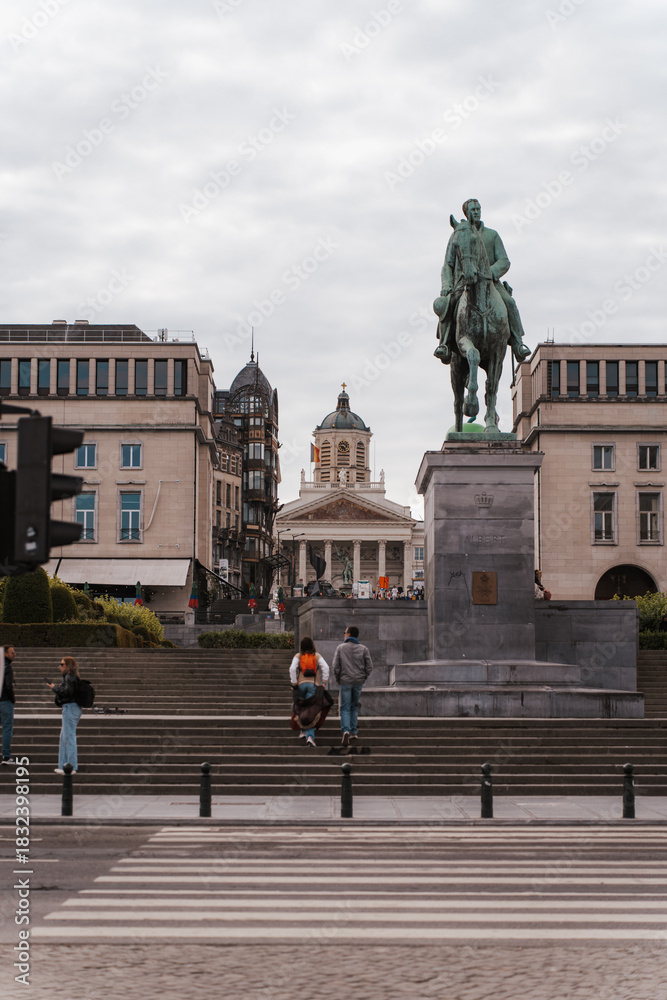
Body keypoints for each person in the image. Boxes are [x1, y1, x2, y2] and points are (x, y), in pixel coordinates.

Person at [434, 198, 531, 365]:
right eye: (472, 210)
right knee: (448, 306)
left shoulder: (492, 235)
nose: (476, 212)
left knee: (509, 301)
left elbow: (504, 260)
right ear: (466, 213)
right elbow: (448, 265)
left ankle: (518, 343)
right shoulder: (457, 234)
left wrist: (490, 272)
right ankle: (444, 345)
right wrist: (447, 285)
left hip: (490, 283)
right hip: (463, 284)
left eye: (478, 209)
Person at [333, 626, 373, 747]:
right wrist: (364, 677)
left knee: (344, 707)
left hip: (345, 681)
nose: (344, 634)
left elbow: (335, 666)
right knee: (354, 706)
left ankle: (345, 730)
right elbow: (369, 666)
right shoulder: (363, 649)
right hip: (358, 681)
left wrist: (338, 678)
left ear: (348, 634)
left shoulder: (340, 648)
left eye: (344, 632)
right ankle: (354, 731)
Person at [289, 637, 330, 748]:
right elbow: (326, 668)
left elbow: (292, 669)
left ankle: (303, 731)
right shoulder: (316, 656)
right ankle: (310, 737)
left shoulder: (298, 656)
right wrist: (324, 682)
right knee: (311, 711)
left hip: (301, 684)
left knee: (301, 708)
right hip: (313, 685)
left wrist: (294, 684)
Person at [46, 656, 83, 774]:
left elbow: (67, 693)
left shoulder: (69, 677)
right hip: (73, 708)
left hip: (70, 708)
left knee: (68, 738)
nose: (60, 666)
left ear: (68, 666)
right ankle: (63, 765)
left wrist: (54, 688)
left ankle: (71, 767)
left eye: (62, 664)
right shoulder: (72, 677)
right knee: (63, 738)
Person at [1, 645, 17, 765]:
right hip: (5, 701)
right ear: (5, 654)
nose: (14, 654)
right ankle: (6, 757)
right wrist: (12, 699)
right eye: (12, 652)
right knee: (7, 729)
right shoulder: (7, 668)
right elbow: (8, 686)